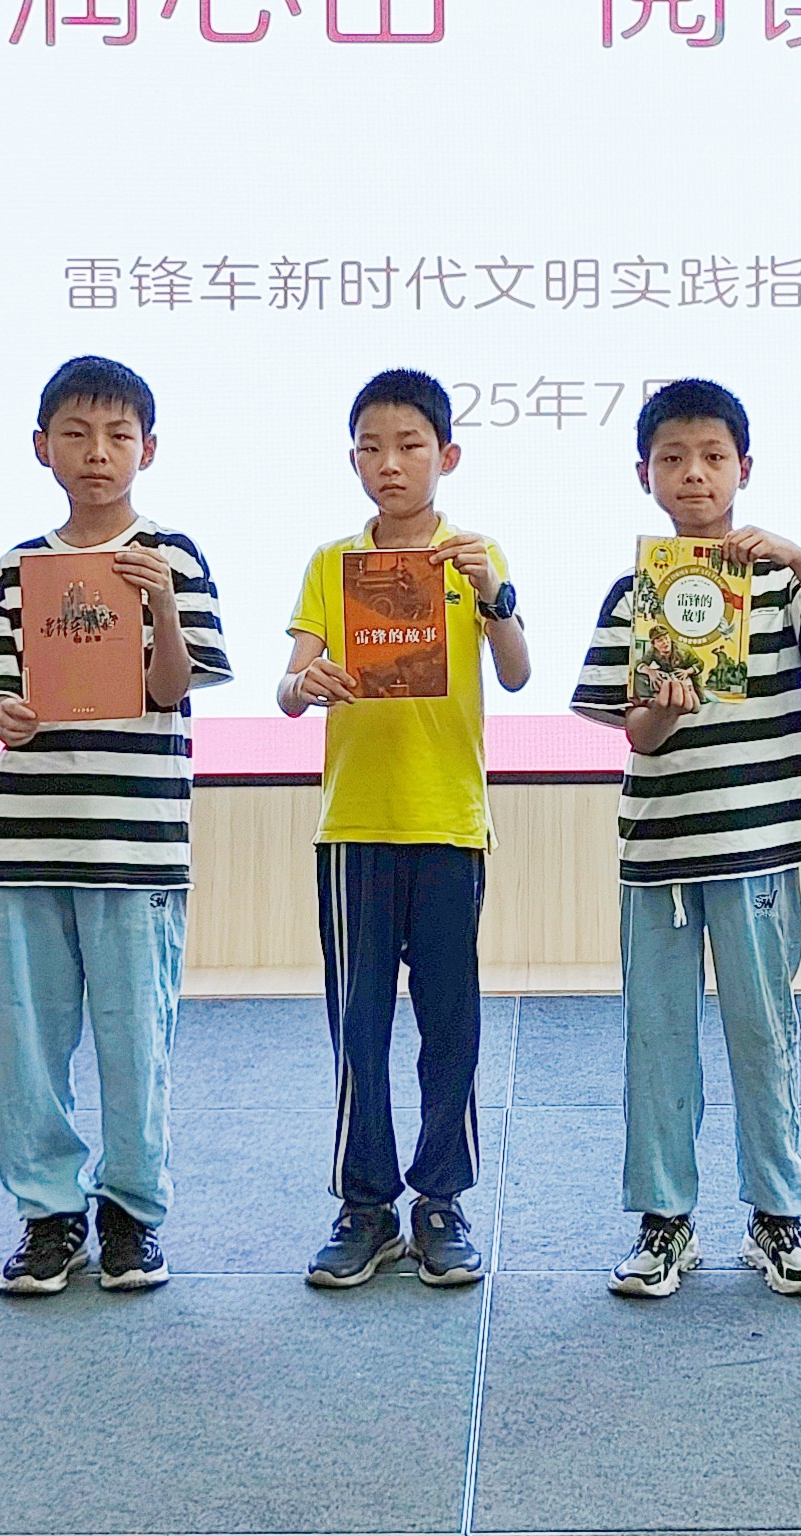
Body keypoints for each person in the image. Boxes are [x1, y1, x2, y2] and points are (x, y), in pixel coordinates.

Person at [567, 378, 801, 1299]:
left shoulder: (777, 583)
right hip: (660, 853)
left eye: (713, 457)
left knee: (764, 1035)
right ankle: (664, 1221)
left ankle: (778, 1216)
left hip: (761, 845)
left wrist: (798, 555)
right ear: (644, 475)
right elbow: (636, 735)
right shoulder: (636, 593)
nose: (694, 475)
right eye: (673, 459)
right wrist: (661, 706)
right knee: (658, 1041)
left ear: (744, 468)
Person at [0, 356, 230, 1298]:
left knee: (136, 1035)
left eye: (118, 436)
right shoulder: (20, 567)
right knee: (27, 1040)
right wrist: (1, 712)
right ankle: (47, 1214)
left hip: (134, 844)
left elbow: (174, 687)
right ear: (43, 448)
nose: (97, 453)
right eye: (76, 434)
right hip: (28, 841)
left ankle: (131, 1213)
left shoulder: (174, 556)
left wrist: (159, 603)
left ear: (149, 448)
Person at [280, 369, 528, 1290]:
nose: (390, 463)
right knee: (360, 1024)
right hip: (355, 824)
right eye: (372, 448)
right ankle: (365, 1204)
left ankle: (442, 1198)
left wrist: (495, 595)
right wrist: (303, 683)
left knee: (450, 1022)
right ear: (352, 460)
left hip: (449, 823)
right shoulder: (332, 564)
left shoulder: (474, 556)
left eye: (410, 445)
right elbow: (289, 685)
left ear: (446, 456)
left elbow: (516, 673)